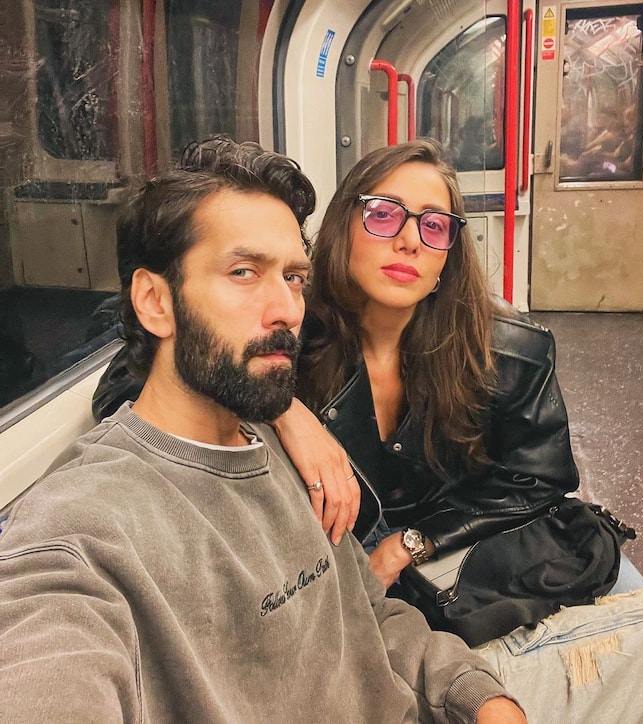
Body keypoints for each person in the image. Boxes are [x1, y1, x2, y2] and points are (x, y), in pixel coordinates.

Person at [92, 138, 643, 722]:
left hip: (447, 546)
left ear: (449, 253)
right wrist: (287, 412)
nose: (410, 241)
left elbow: (540, 478)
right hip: (338, 565)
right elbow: (130, 384)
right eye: (385, 215)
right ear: (344, 230)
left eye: (434, 225)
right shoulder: (281, 333)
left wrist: (411, 543)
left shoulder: (509, 350)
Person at [0, 144, 526, 722]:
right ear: (155, 300)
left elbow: (364, 610)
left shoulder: (276, 446)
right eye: (243, 272)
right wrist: (290, 412)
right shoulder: (75, 536)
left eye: (294, 278)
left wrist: (479, 699)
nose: (286, 309)